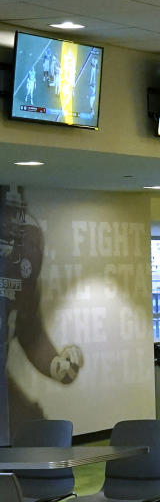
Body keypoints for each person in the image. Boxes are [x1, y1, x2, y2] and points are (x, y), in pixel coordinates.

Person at [1, 185, 84, 439]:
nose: (12, 224)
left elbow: (29, 329)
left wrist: (53, 363)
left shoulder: (25, 254)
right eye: (6, 215)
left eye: (15, 215)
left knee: (32, 428)